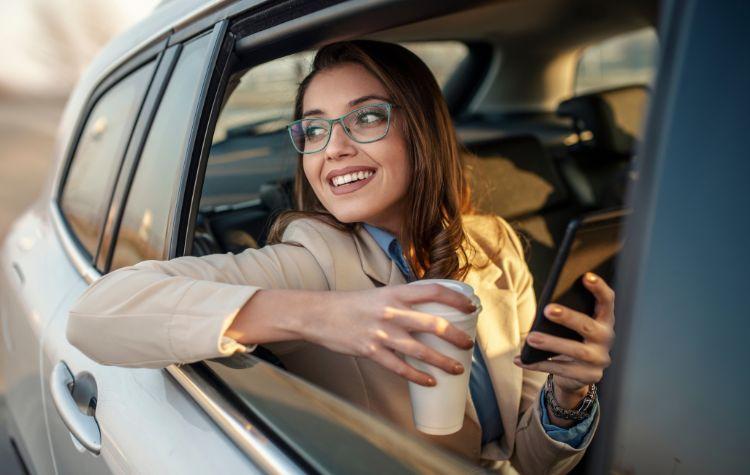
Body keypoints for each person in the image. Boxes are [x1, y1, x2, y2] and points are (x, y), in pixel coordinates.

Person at [67, 41, 616, 474]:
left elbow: (525, 461)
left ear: (420, 131)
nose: (334, 147)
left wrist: (567, 397)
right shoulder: (311, 260)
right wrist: (324, 316)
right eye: (313, 128)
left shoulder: (491, 241)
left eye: (366, 118)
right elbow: (96, 314)